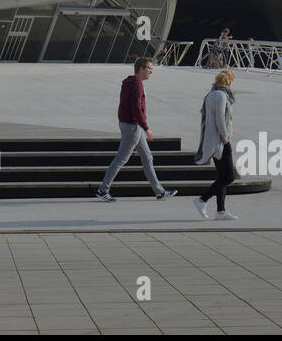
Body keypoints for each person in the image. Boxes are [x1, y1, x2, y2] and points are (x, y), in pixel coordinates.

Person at [96, 57, 177, 202]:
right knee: (121, 159)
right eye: (149, 69)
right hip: (133, 127)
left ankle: (159, 191)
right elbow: (136, 109)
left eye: (152, 69)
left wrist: (123, 125)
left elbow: (122, 106)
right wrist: (147, 128)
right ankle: (103, 190)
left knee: (147, 157)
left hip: (130, 125)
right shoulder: (137, 85)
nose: (151, 72)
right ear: (141, 69)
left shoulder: (129, 82)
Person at [192, 69, 238, 220]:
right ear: (228, 81)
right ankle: (202, 200)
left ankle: (221, 212)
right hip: (221, 141)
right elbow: (220, 118)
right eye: (232, 81)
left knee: (222, 176)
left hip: (213, 140)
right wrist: (225, 138)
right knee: (229, 176)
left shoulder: (211, 94)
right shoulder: (221, 95)